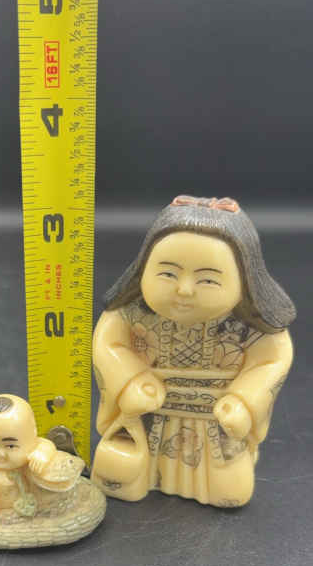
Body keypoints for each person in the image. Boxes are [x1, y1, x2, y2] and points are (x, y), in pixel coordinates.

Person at [91, 196, 295, 507]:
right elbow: (109, 344)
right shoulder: (130, 314)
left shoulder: (252, 327)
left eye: (208, 280)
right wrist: (131, 381)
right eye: (168, 274)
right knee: (125, 477)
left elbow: (272, 360)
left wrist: (243, 401)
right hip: (150, 411)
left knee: (231, 493)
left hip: (215, 420)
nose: (184, 290)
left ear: (244, 280)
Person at [0, 394, 83, 520]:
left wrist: (43, 455)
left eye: (10, 446)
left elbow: (46, 444)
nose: (0, 454)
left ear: (33, 433)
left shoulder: (35, 445)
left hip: (24, 493)